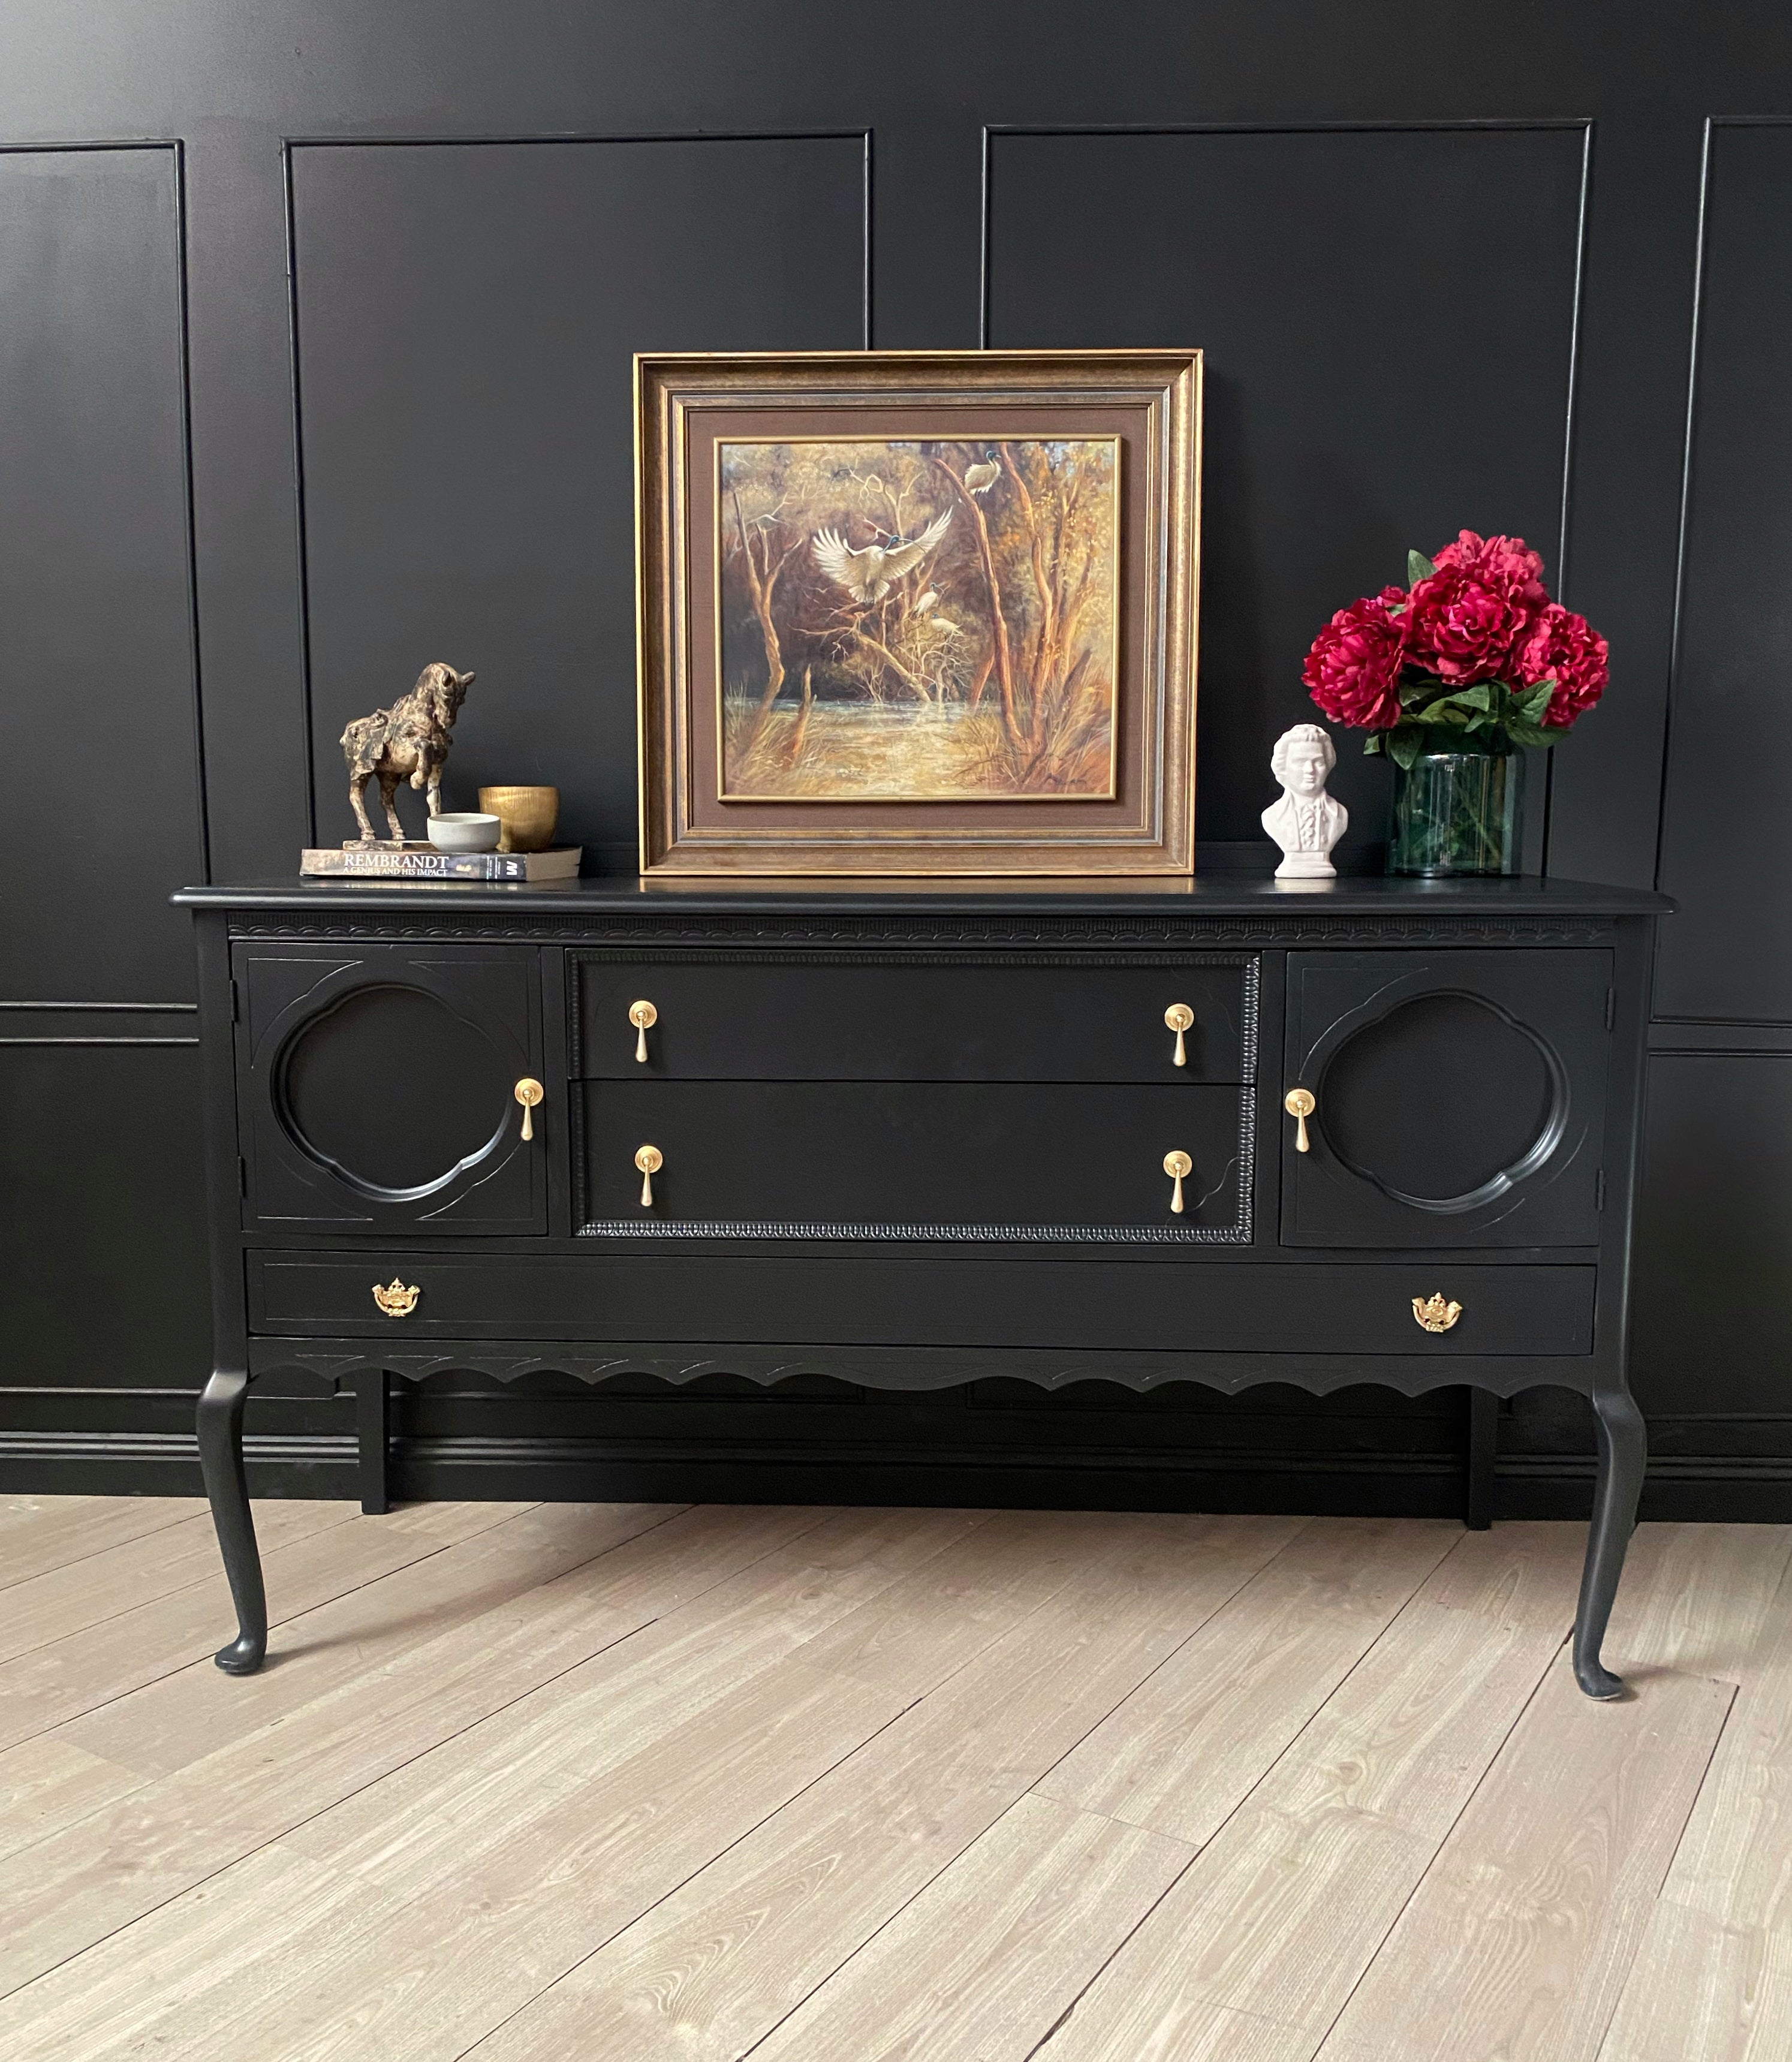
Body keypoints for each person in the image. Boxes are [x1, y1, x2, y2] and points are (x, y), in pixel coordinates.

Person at [1263, 723, 1347, 878]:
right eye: (1300, 762)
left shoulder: (1339, 814)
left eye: (1318, 762)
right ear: (1283, 767)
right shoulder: (1272, 817)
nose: (1310, 770)